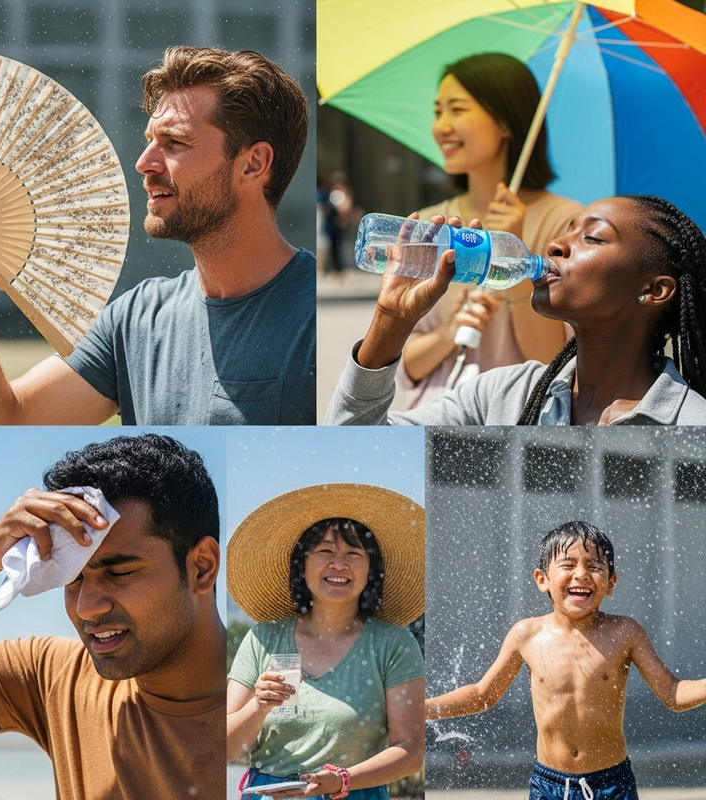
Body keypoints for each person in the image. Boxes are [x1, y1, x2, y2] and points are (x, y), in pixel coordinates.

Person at [0, 46, 315, 425]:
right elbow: (1, 424)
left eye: (174, 142)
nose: (144, 163)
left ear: (253, 163)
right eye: (150, 141)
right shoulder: (136, 319)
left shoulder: (316, 317)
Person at [0, 433, 226, 799]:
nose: (86, 607)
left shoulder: (263, 709)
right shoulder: (58, 677)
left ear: (202, 568)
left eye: (119, 572)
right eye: (71, 578)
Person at [325, 194, 706, 426]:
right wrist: (391, 321)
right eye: (567, 230)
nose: (556, 244)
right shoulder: (503, 396)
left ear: (654, 290)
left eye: (592, 237)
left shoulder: (689, 422)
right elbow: (351, 449)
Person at [425, 521, 706, 799]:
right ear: (542, 579)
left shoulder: (624, 633)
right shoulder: (527, 635)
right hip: (549, 784)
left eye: (595, 566)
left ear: (611, 583)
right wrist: (422, 709)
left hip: (611, 784)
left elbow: (672, 693)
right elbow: (482, 695)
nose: (581, 574)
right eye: (568, 564)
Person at [396, 53, 582, 408]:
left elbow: (556, 365)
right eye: (438, 111)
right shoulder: (430, 225)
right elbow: (405, 366)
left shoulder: (568, 224)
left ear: (505, 121)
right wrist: (450, 332)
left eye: (458, 109)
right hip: (435, 418)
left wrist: (516, 259)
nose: (442, 126)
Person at [226, 484, 425, 799]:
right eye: (325, 551)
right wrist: (258, 707)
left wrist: (343, 780)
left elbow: (410, 751)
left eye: (354, 553)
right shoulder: (262, 638)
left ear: (371, 569)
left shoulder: (393, 644)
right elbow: (223, 749)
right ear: (301, 563)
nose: (339, 563)